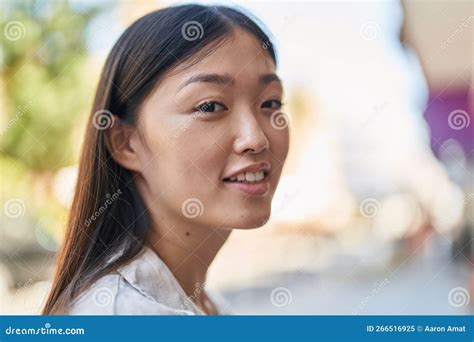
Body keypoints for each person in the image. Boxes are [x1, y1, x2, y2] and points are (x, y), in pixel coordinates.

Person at [42, 4, 289, 315]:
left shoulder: (209, 306)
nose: (256, 138)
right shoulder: (124, 315)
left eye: (271, 102)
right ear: (125, 143)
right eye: (210, 106)